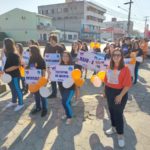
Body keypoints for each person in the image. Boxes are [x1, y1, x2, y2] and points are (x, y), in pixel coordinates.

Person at [104, 48, 132, 148]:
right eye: (114, 55)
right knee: (111, 111)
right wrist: (105, 92)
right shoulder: (108, 66)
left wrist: (120, 95)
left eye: (118, 55)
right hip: (109, 91)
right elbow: (106, 81)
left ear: (121, 57)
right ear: (112, 56)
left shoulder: (125, 69)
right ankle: (113, 127)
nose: (116, 56)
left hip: (120, 93)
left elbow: (127, 85)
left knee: (118, 114)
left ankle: (120, 135)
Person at [3, 38, 24, 111]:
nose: (3, 46)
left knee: (17, 89)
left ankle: (21, 103)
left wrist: (6, 70)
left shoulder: (14, 54)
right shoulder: (8, 53)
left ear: (7, 45)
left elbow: (17, 65)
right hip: (9, 75)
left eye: (4, 44)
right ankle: (14, 101)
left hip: (15, 76)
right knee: (12, 89)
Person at [28, 45, 48, 117]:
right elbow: (29, 69)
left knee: (43, 95)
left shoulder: (41, 60)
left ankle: (44, 109)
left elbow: (44, 70)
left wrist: (43, 81)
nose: (29, 52)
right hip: (33, 80)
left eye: (29, 50)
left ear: (33, 52)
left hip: (40, 80)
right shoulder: (30, 59)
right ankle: (38, 107)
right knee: (36, 95)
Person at [58, 51, 75, 125]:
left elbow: (77, 77)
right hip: (62, 87)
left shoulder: (73, 66)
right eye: (63, 56)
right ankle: (66, 113)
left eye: (66, 56)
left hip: (70, 88)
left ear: (69, 57)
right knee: (67, 102)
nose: (64, 57)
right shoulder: (59, 65)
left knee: (64, 102)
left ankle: (69, 117)